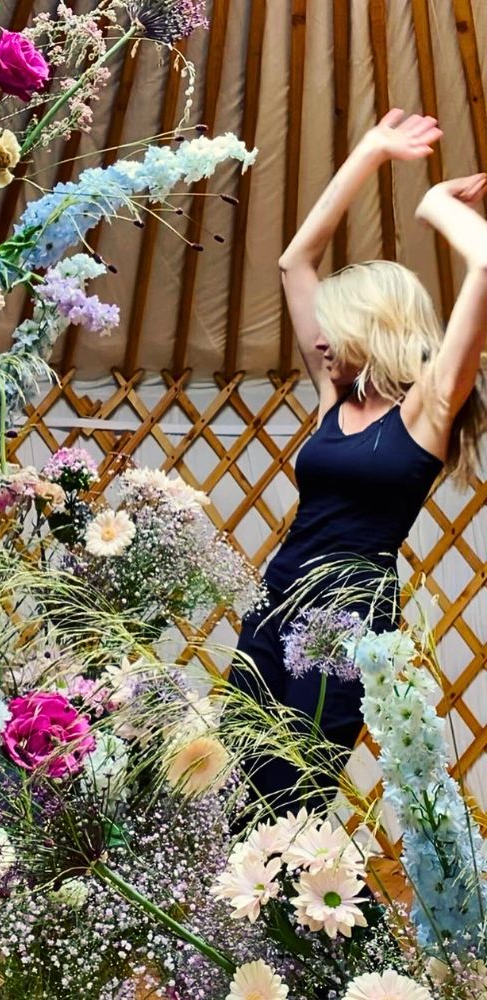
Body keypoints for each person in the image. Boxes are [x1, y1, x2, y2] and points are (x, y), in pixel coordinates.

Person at [230, 108, 487, 813]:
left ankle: (314, 921)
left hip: (346, 612)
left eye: (335, 328)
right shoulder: (333, 399)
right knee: (235, 782)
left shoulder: (429, 409)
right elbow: (293, 262)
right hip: (277, 594)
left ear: (372, 327)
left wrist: (433, 204)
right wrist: (371, 152)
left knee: (289, 797)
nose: (318, 340)